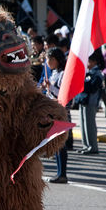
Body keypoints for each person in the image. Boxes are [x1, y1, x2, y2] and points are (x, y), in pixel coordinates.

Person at [43, 47, 69, 183]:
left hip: (61, 111)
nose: (47, 62)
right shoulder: (53, 73)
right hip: (53, 110)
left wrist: (51, 87)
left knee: (61, 143)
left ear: (55, 60)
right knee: (56, 142)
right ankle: (59, 172)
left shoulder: (63, 74)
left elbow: (62, 93)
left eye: (49, 59)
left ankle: (62, 173)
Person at [75, 49, 104, 155]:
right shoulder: (88, 73)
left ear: (94, 62)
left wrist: (82, 82)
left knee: (90, 125)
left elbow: (91, 87)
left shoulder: (96, 73)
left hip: (90, 102)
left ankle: (92, 146)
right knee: (83, 125)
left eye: (88, 61)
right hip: (83, 100)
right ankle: (86, 145)